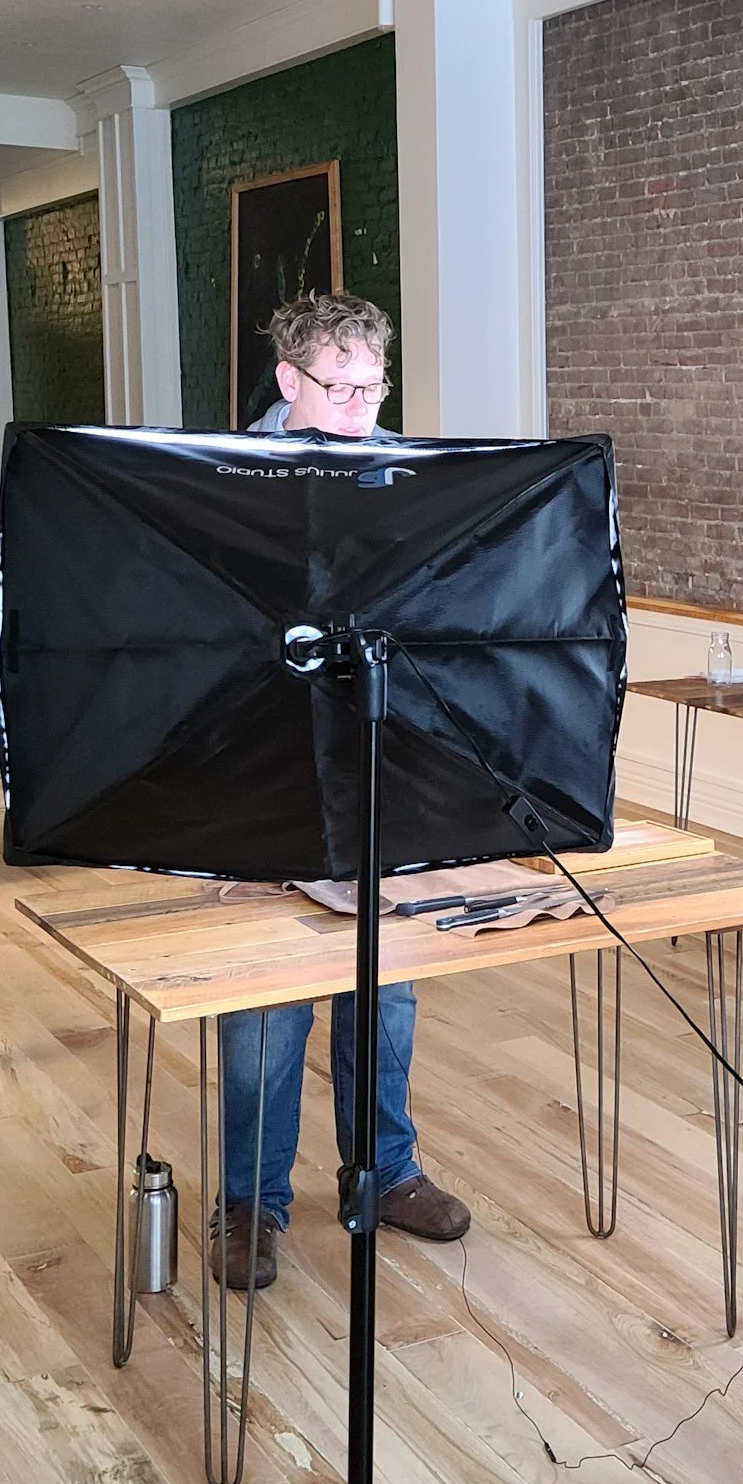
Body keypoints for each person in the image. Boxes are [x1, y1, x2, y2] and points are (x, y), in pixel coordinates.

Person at [216, 291, 472, 1292]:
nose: (363, 401)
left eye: (375, 382)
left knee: (387, 993)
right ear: (289, 381)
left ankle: (384, 1174)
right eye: (341, 384)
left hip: (380, 769)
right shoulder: (228, 484)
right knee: (267, 1014)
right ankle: (250, 1204)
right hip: (270, 773)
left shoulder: (406, 477)